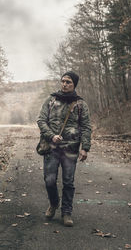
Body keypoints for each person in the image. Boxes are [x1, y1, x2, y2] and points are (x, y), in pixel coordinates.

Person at [37, 71, 91, 227]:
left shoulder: (80, 104)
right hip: (51, 147)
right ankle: (54, 203)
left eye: (69, 82)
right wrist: (51, 135)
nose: (65, 84)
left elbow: (86, 127)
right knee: (49, 180)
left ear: (74, 85)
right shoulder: (51, 100)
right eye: (63, 81)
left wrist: (85, 147)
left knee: (68, 182)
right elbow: (41, 120)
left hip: (71, 149)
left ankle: (66, 212)